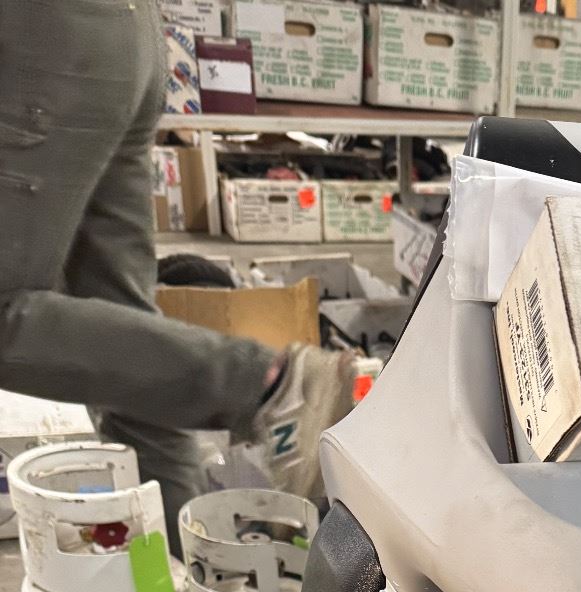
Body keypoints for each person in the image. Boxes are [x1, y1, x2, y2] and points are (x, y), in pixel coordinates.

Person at [0, 0, 358, 531]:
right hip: (123, 36)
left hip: (43, 44)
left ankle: (271, 385)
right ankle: (183, 556)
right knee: (127, 342)